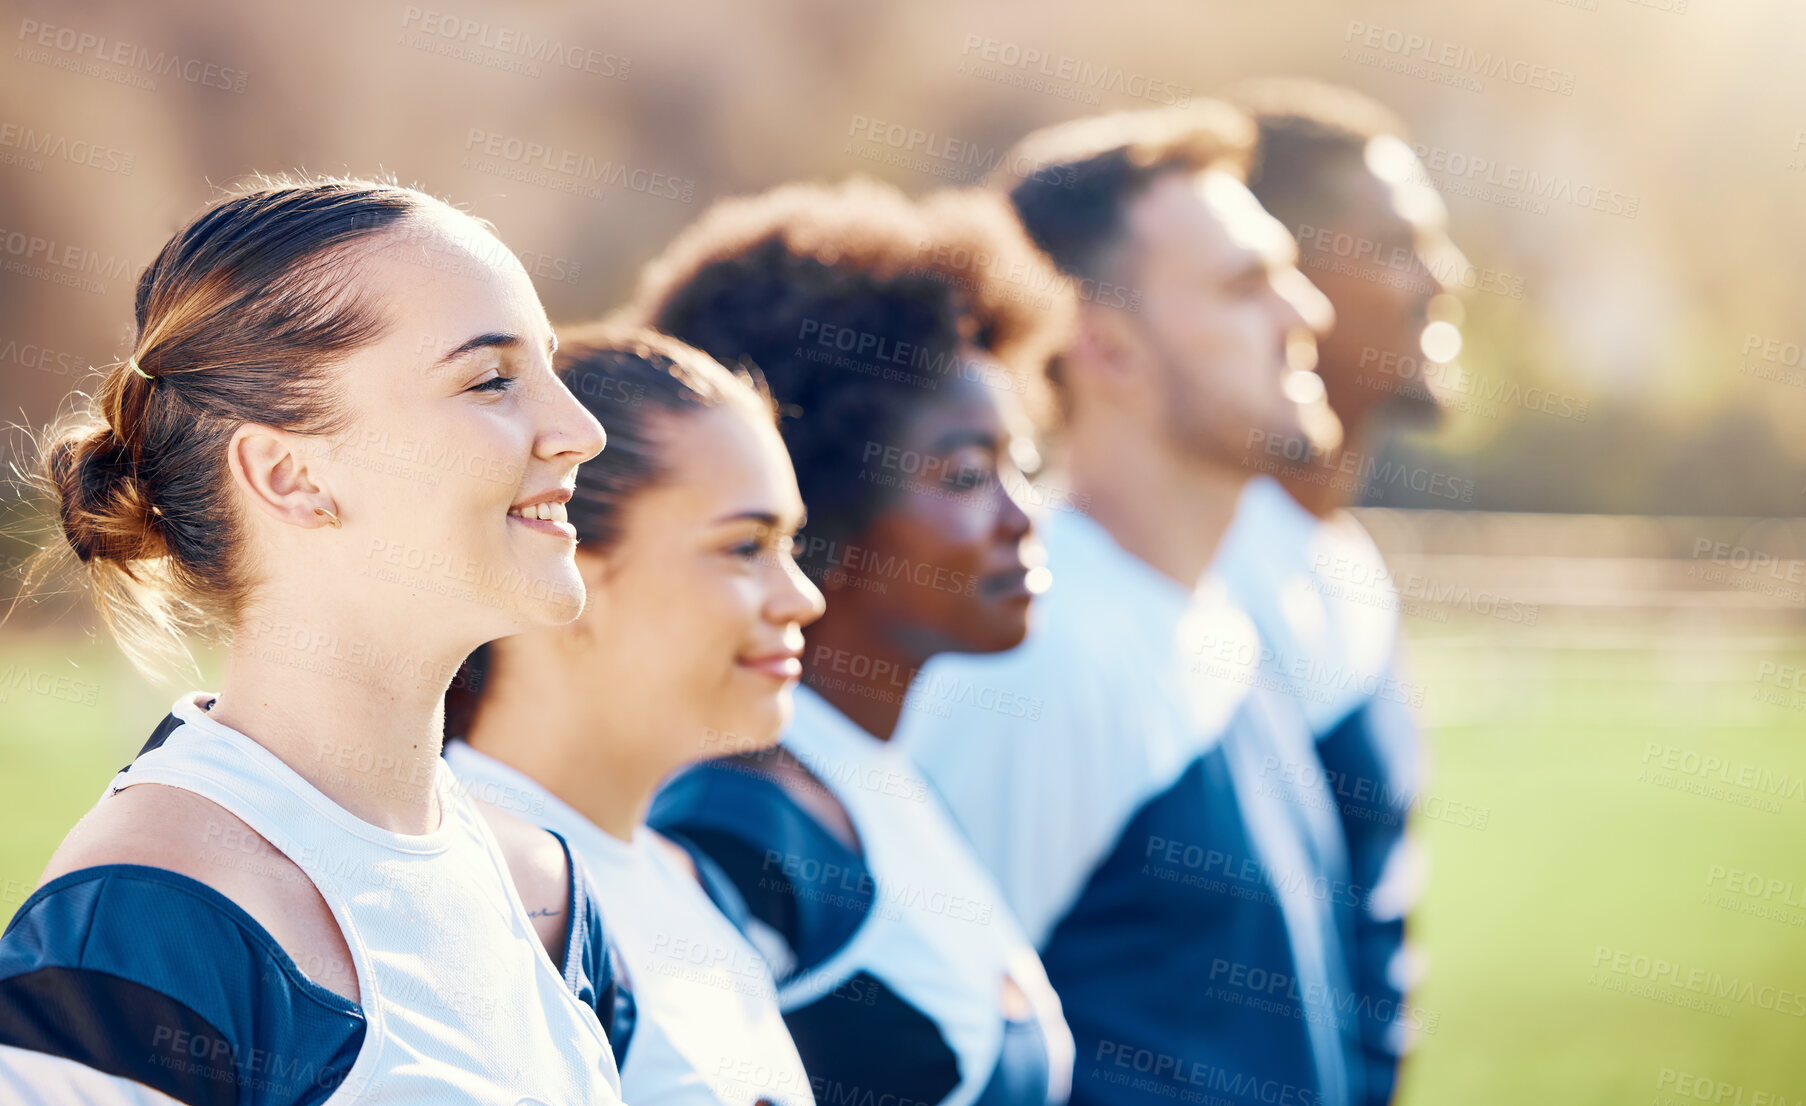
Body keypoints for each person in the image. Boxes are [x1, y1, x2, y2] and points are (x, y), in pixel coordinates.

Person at [0, 176, 627, 1104]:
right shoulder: (145, 925)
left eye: (550, 368)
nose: (583, 431)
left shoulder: (548, 892)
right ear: (290, 475)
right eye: (492, 379)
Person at [892, 105, 1364, 1106]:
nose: (1307, 314)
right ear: (1104, 350)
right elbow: (928, 1058)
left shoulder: (1219, 614)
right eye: (1246, 286)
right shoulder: (1034, 658)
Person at [629, 178, 1077, 1106]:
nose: (1020, 517)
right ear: (816, 496)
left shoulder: (869, 773)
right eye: (965, 475)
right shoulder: (736, 822)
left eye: (1021, 466)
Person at [440, 324, 825, 1106]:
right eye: (745, 547)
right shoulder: (457, 890)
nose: (803, 598)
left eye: (790, 544)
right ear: (568, 573)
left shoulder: (692, 884)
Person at [1209, 77, 1468, 1105]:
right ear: (1283, 277)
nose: (1446, 279)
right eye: (1401, 245)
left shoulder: (1345, 562)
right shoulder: (1200, 584)